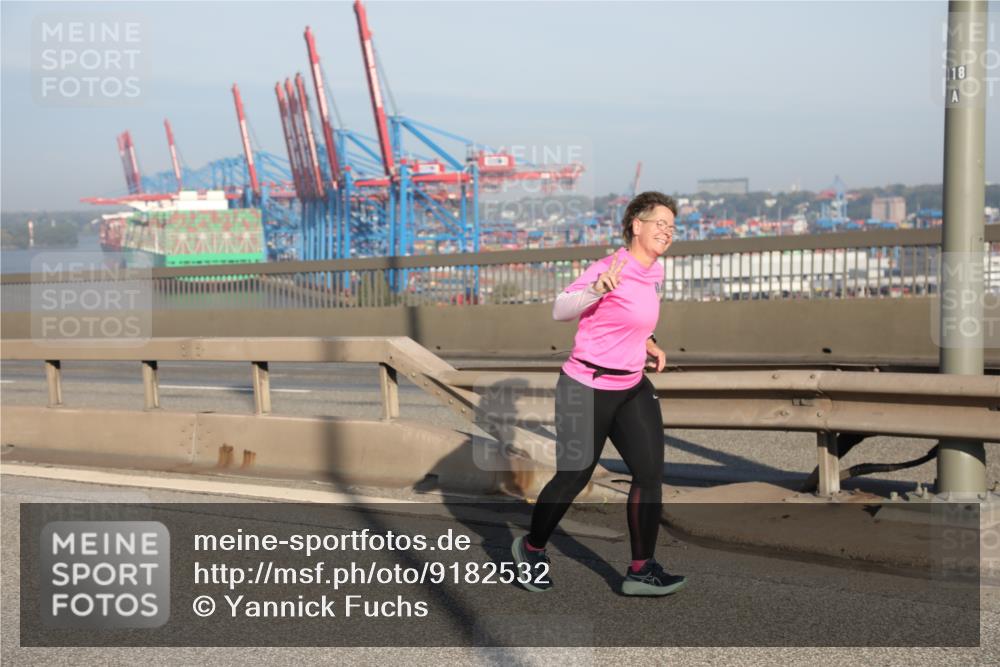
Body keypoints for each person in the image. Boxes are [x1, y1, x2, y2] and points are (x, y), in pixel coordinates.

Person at [511, 191, 686, 596]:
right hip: (586, 385)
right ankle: (531, 549)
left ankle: (641, 570)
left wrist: (649, 342)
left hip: (631, 385)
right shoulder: (609, 267)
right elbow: (561, 308)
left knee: (649, 475)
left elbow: (632, 317)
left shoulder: (654, 271)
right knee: (574, 476)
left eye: (672, 227)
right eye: (660, 223)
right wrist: (597, 289)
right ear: (636, 225)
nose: (667, 232)